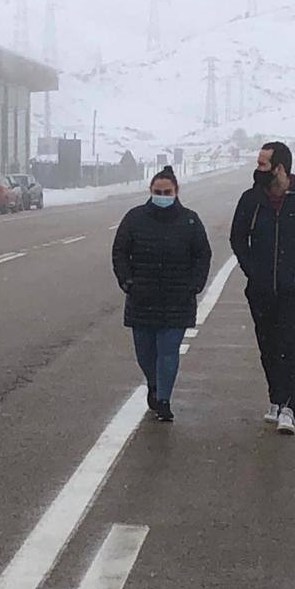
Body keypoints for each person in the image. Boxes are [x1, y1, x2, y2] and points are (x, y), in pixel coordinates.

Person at [229, 141, 295, 435]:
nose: (257, 169)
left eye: (262, 164)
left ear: (279, 168)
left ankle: (289, 407)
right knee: (268, 346)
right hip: (260, 290)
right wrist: (252, 270)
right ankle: (275, 399)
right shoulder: (251, 199)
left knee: (291, 346)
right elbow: (237, 238)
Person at [112, 166, 212, 422]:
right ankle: (154, 385)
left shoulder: (190, 220)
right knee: (146, 355)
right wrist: (128, 282)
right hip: (141, 300)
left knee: (168, 352)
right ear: (150, 191)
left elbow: (203, 255)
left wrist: (194, 285)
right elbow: (120, 252)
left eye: (167, 192)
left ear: (176, 192)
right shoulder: (134, 218)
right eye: (158, 191)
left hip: (177, 301)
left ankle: (164, 400)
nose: (163, 195)